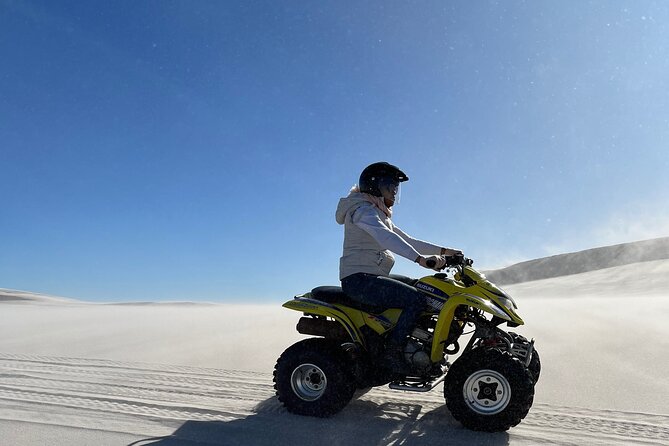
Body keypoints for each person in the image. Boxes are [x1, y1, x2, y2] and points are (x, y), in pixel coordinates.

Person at [335, 161, 462, 374]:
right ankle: (393, 352)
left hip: (372, 277)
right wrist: (420, 260)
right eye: (390, 186)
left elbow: (408, 239)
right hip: (359, 281)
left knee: (423, 287)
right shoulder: (362, 210)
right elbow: (386, 238)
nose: (394, 192)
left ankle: (420, 343)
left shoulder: (378, 212)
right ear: (375, 186)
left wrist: (446, 251)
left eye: (396, 187)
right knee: (415, 299)